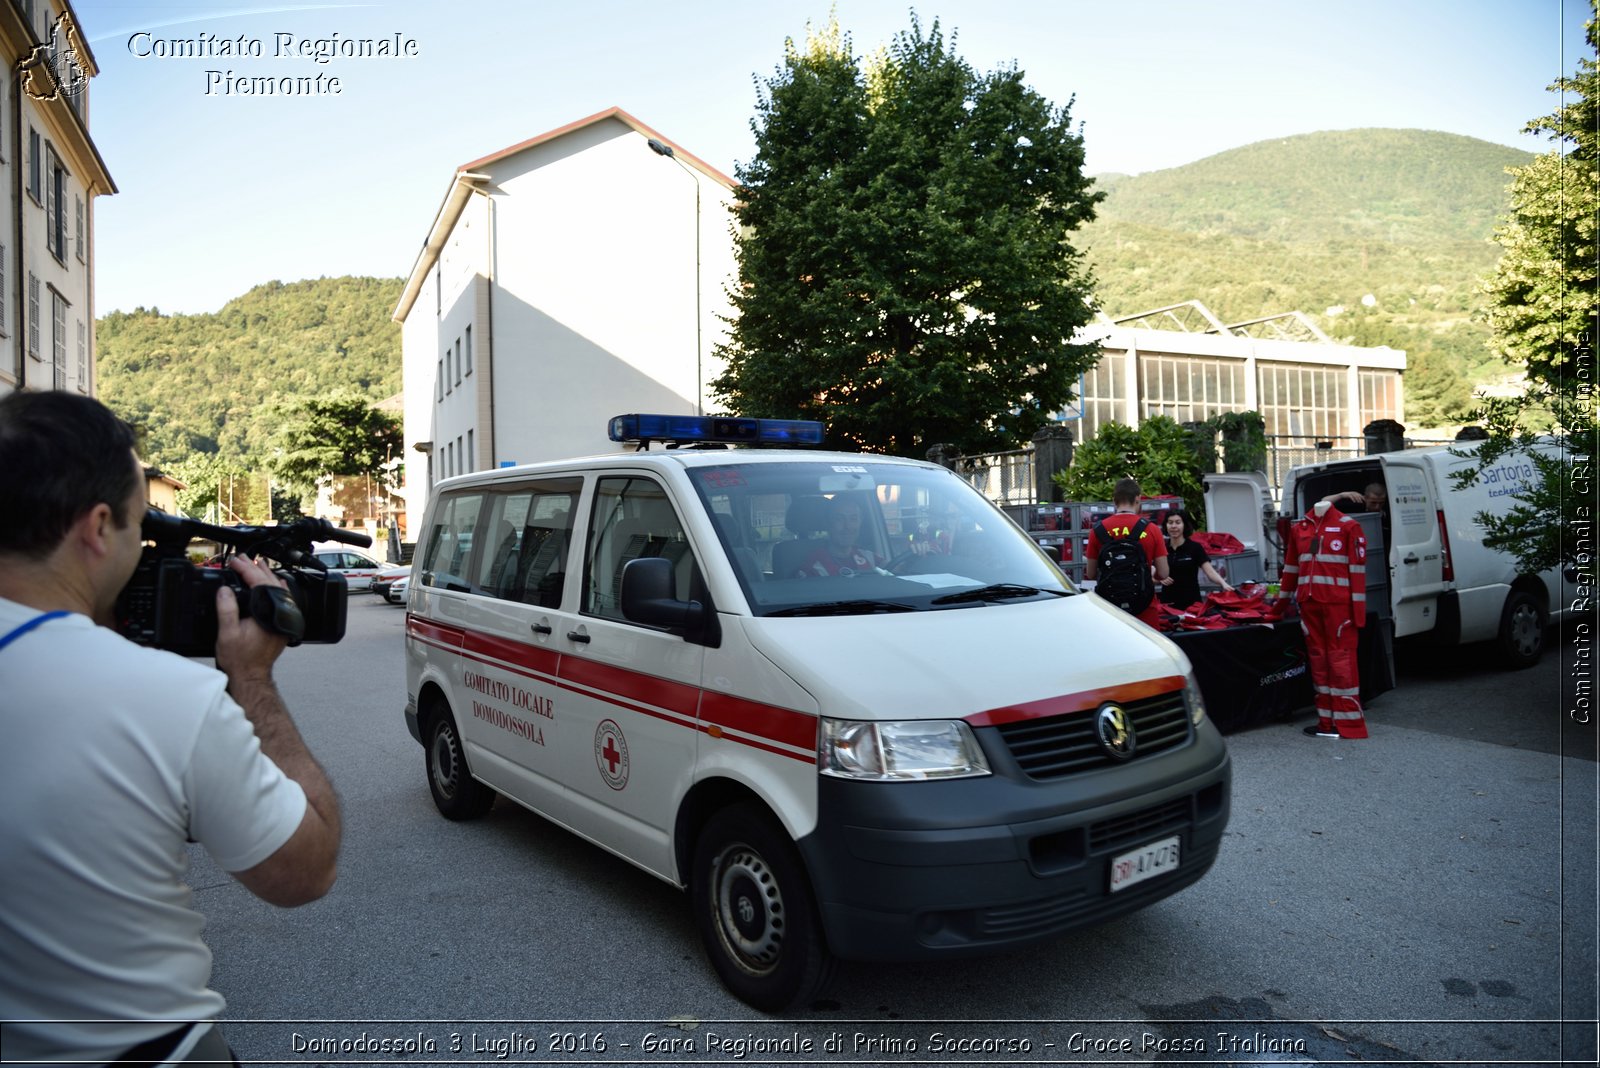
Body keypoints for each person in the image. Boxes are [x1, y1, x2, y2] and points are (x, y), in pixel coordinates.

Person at [0, 391, 342, 1065]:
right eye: (139, 526)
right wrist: (252, 681)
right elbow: (307, 870)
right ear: (98, 528)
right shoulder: (165, 698)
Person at [1274, 498, 1369, 739]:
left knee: (1341, 660)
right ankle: (1325, 721)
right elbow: (1291, 569)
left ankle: (1349, 723)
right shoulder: (1300, 529)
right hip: (1310, 604)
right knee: (1318, 660)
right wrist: (1280, 605)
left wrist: (1357, 612)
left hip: (1339, 606)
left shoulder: (1349, 526)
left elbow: (1357, 571)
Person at [1083, 478, 1170, 627]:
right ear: (1138, 498)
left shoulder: (1097, 531)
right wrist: (1151, 572)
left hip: (1110, 609)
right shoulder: (1152, 529)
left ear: (1114, 500)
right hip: (1145, 607)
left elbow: (1090, 574)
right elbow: (1163, 573)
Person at [1159, 509, 1234, 608]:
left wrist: (1223, 584)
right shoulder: (1162, 547)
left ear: (1184, 525)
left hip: (1191, 603)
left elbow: (1210, 572)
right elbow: (1153, 571)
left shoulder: (1195, 548)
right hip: (1167, 603)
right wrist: (1158, 578)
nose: (1174, 526)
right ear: (1166, 525)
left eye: (1178, 522)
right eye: (1170, 522)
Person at [794, 496, 885, 576]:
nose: (847, 526)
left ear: (860, 522)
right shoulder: (814, 567)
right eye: (839, 519)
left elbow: (894, 571)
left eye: (853, 519)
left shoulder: (870, 558)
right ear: (827, 523)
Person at [1322, 482, 1386, 513]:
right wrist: (1341, 495)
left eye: (1381, 503)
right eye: (1373, 503)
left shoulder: (1390, 511)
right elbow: (1323, 502)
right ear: (1365, 498)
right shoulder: (1355, 506)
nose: (1377, 507)